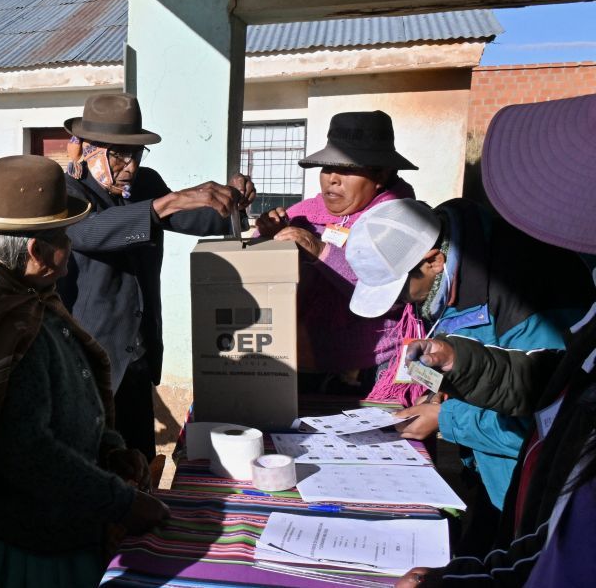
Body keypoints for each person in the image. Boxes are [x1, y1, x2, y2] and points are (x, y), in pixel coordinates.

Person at [0, 155, 169, 588]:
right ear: (37, 252)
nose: (71, 245)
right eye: (65, 236)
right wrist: (122, 502)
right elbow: (30, 456)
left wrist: (109, 447)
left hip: (59, 534)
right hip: (34, 555)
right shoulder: (8, 328)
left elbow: (71, 403)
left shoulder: (33, 304)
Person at [391, 94, 596, 586]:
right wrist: (458, 362)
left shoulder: (519, 288)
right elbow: (538, 383)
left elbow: (541, 419)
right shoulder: (467, 283)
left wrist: (451, 416)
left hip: (522, 500)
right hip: (508, 496)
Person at [345, 197, 594, 553]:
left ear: (433, 261)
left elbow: (550, 426)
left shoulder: (521, 294)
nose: (402, 304)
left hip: (537, 495)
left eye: (400, 291)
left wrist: (447, 419)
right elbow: (490, 371)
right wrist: (445, 389)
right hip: (491, 476)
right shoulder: (451, 277)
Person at [59, 92, 254, 460]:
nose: (129, 166)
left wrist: (234, 204)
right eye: (118, 154)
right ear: (85, 149)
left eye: (135, 154)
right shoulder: (66, 191)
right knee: (94, 462)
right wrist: (172, 201)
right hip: (88, 358)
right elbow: (88, 233)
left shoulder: (144, 186)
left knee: (138, 459)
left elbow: (190, 218)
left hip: (137, 353)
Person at [255, 110, 420, 403]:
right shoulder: (305, 213)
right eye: (326, 168)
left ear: (380, 174)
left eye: (347, 169)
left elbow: (390, 294)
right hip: (303, 359)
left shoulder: (402, 222)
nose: (332, 180)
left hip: (370, 366)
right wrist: (268, 235)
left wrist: (320, 251)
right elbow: (257, 261)